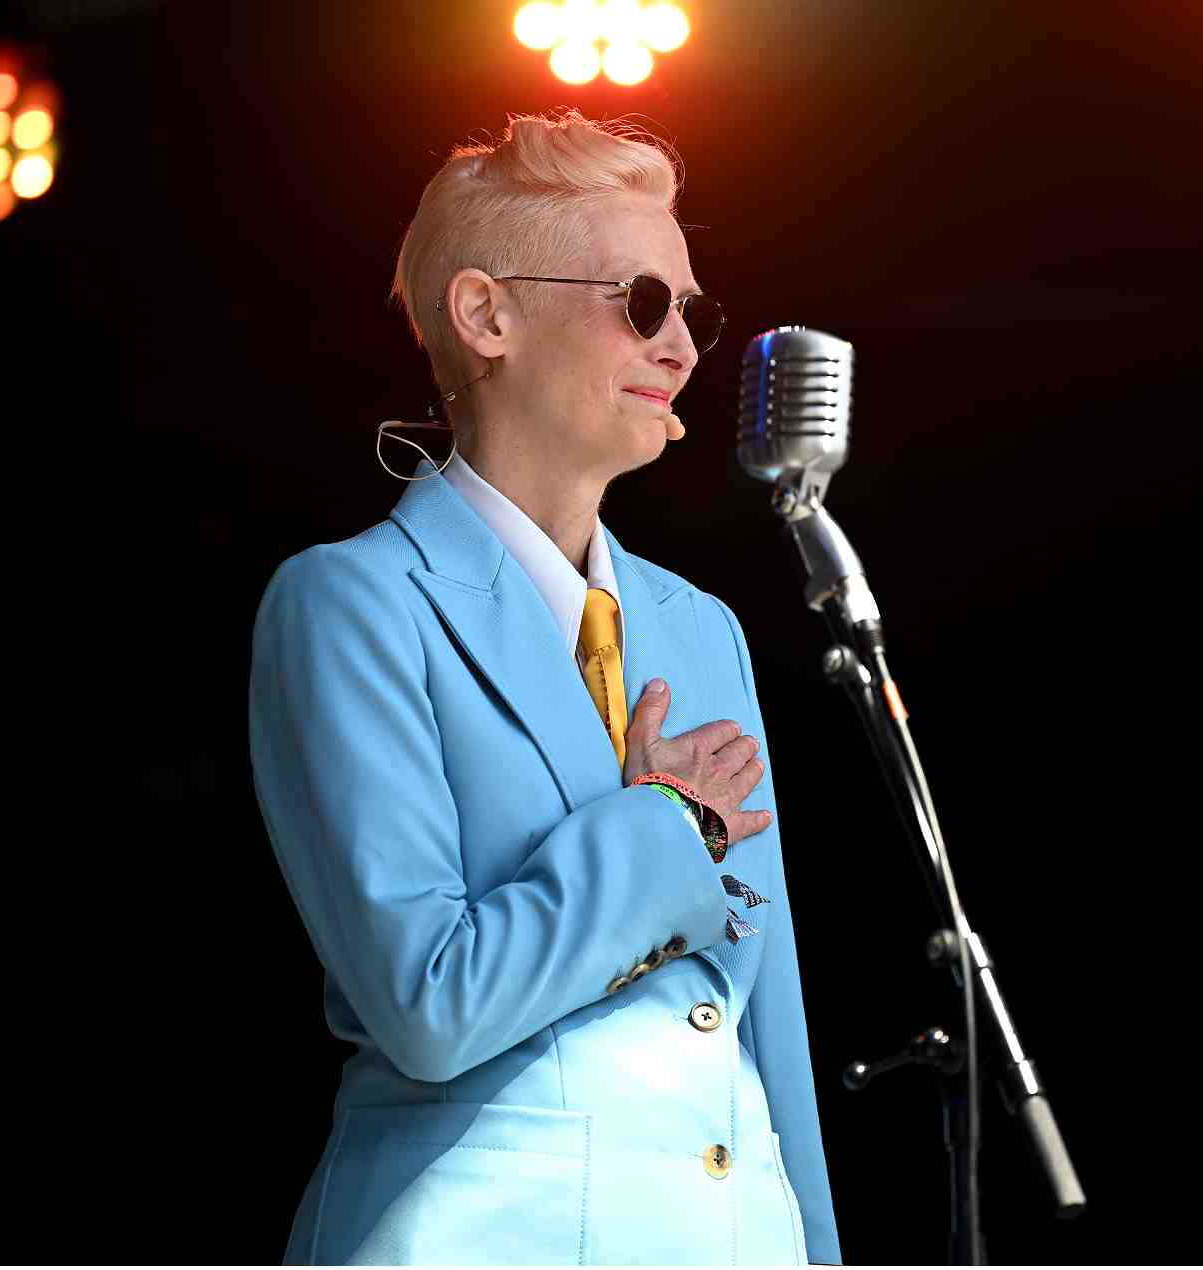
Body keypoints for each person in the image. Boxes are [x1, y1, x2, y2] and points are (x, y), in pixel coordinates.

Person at [248, 109, 841, 1265]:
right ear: (486, 316)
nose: (681, 348)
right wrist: (665, 825)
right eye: (642, 303)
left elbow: (765, 1025)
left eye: (693, 313)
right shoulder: (353, 603)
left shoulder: (697, 627)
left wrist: (810, 1246)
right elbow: (429, 1002)